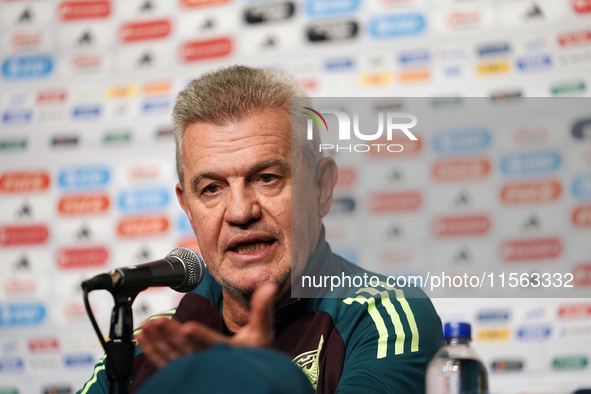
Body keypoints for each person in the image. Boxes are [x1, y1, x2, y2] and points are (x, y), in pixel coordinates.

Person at [77, 65, 442, 394]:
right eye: (211, 188)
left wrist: (251, 377)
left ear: (321, 189)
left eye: (266, 178)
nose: (240, 212)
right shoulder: (148, 346)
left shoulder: (387, 315)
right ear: (187, 207)